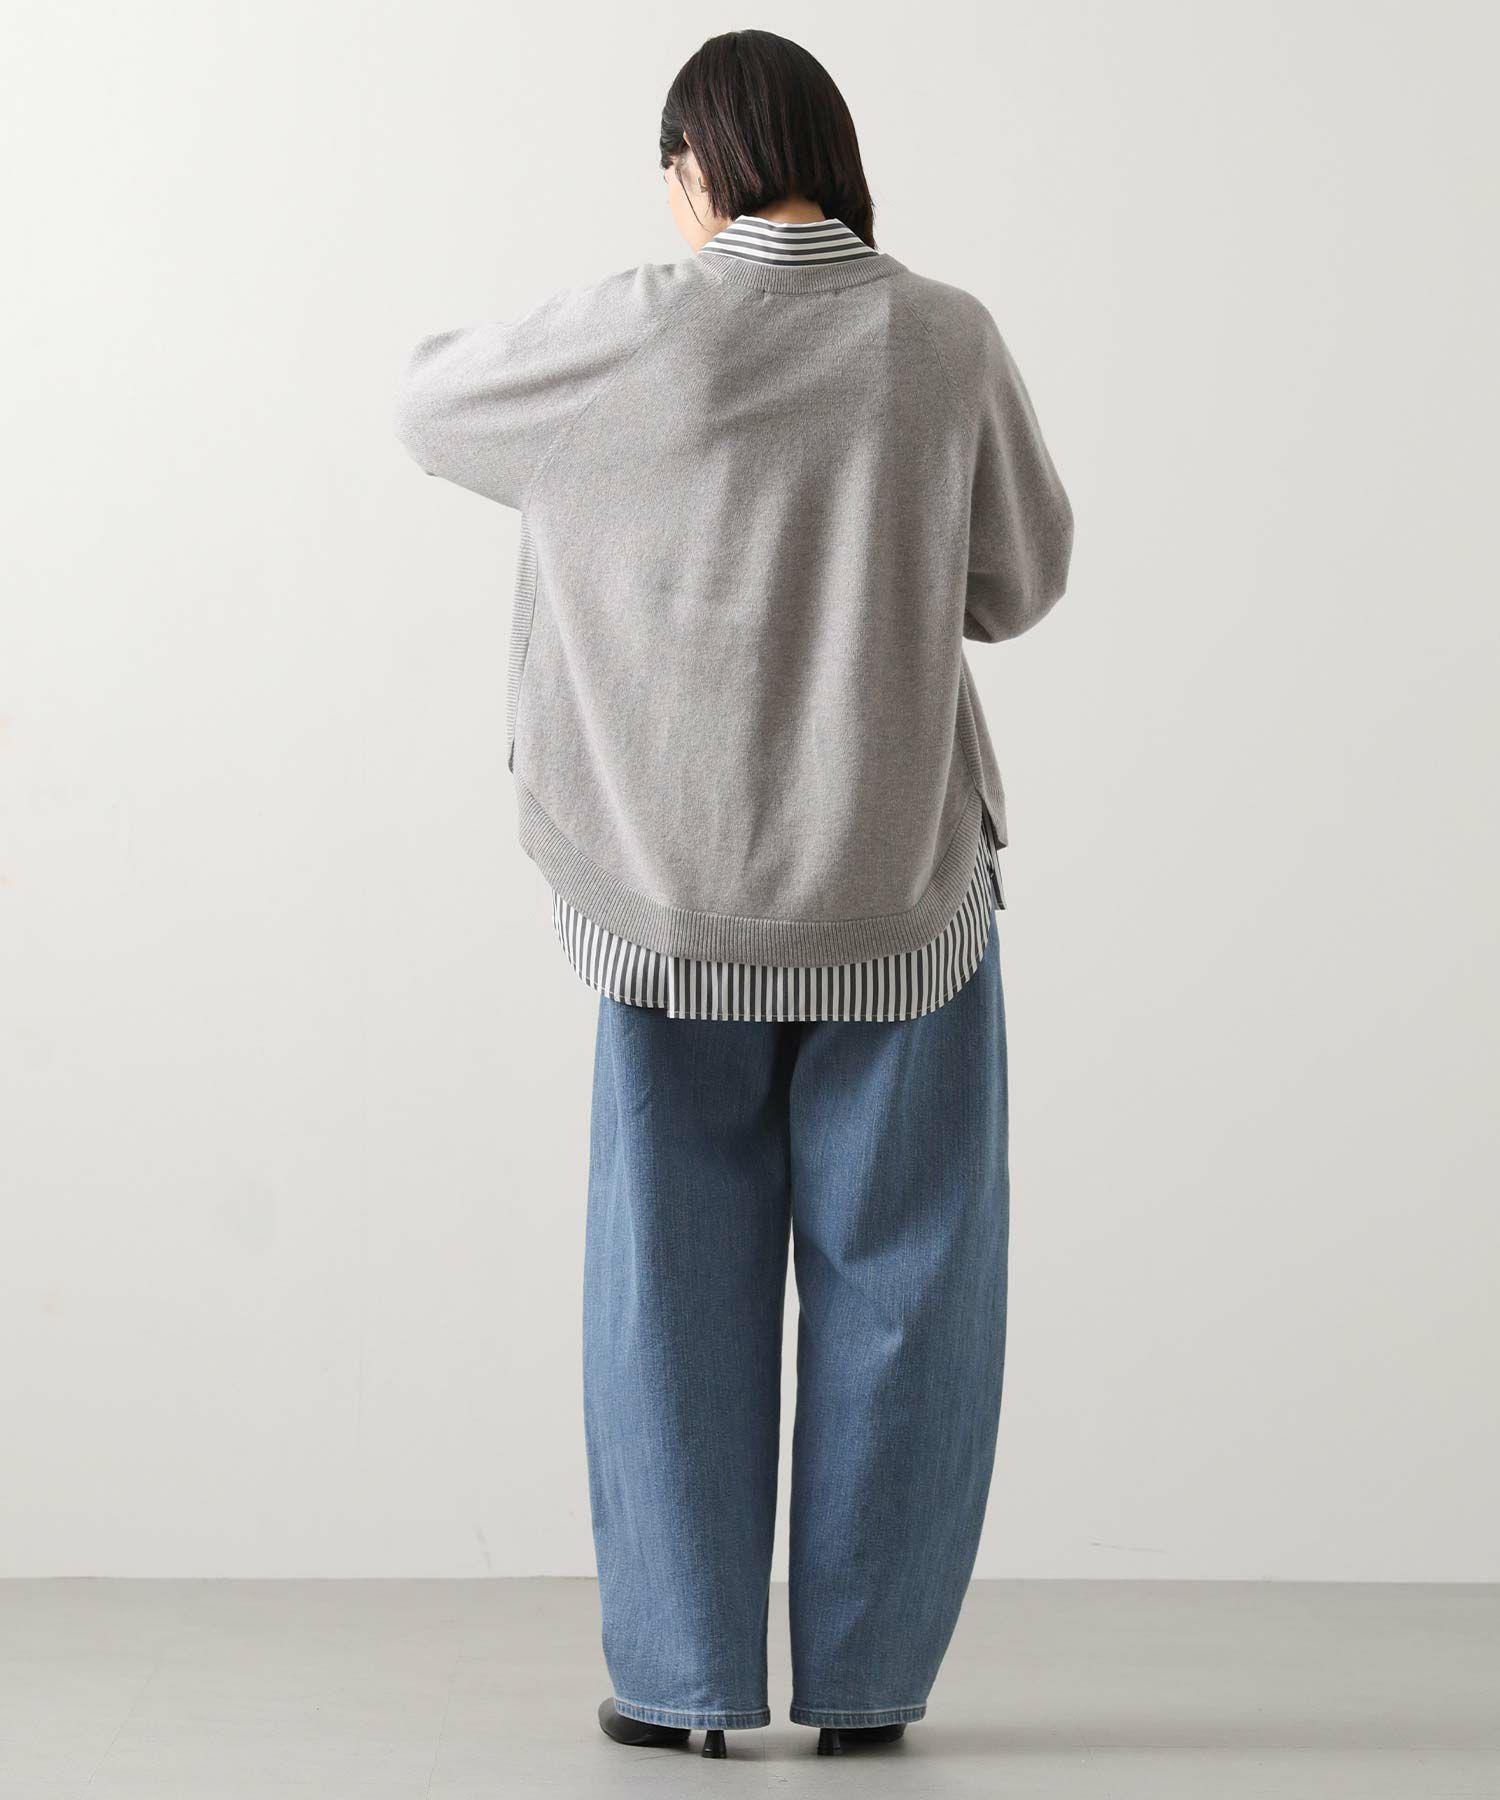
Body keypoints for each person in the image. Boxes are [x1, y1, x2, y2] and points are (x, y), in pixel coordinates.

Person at [394, 27, 1073, 1762]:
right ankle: (866, 1690)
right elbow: (1020, 583)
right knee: (908, 1290)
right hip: (898, 902)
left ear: (694, 168)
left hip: (667, 902)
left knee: (667, 1297)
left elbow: (429, 405)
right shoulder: (945, 339)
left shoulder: (641, 329)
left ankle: (685, 1687)